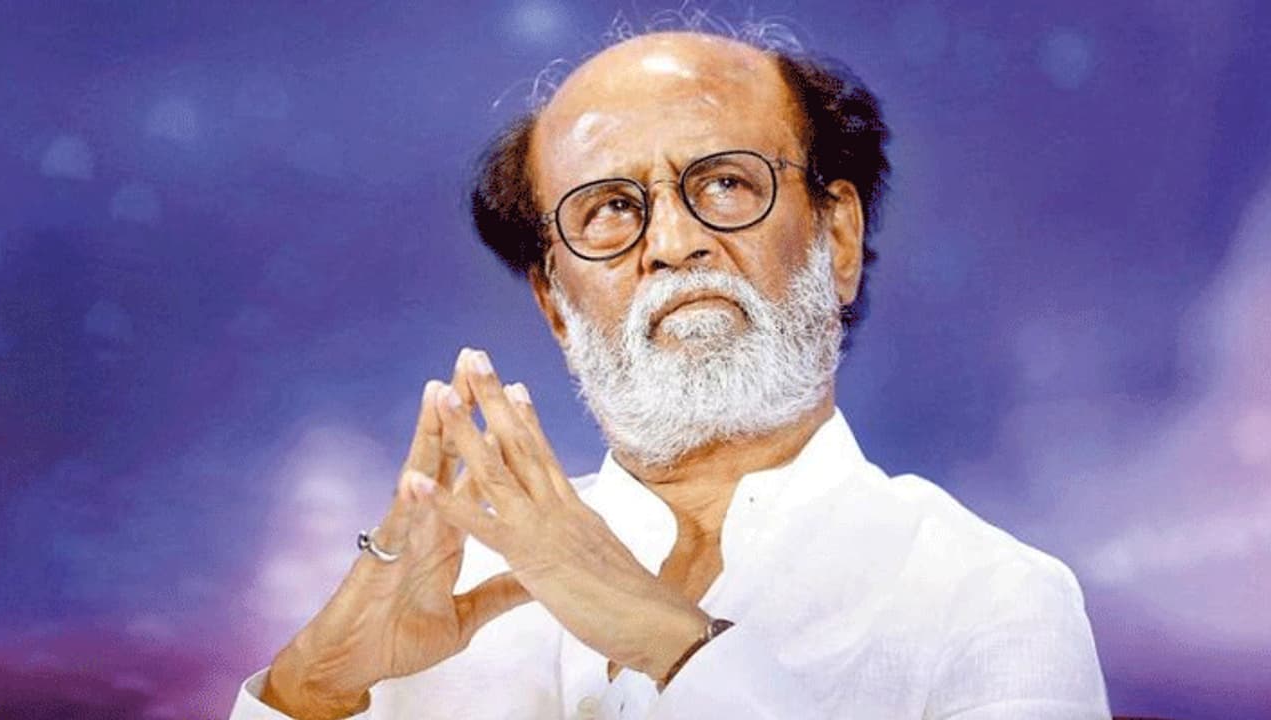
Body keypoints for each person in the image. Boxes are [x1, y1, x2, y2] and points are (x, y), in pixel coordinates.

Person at [230, 29, 1110, 720]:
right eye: (611, 208)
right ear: (554, 302)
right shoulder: (442, 592)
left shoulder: (990, 595)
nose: (674, 243)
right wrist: (311, 688)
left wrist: (667, 640)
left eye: (725, 184)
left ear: (837, 237)